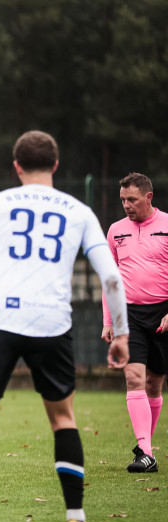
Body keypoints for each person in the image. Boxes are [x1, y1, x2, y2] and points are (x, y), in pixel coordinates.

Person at [0, 131, 130, 522]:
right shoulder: (78, 211)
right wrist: (121, 333)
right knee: (63, 419)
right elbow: (113, 277)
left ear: (16, 166)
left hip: (0, 320)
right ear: (56, 166)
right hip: (52, 323)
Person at [100, 172, 168, 474]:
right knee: (134, 379)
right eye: (123, 200)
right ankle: (146, 452)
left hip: (164, 314)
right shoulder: (115, 231)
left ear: (148, 197)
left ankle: (145, 448)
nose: (126, 205)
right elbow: (109, 280)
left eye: (132, 199)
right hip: (129, 316)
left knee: (154, 384)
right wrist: (109, 320)